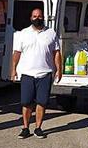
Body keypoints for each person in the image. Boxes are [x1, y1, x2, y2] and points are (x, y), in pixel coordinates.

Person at [11, 8, 62, 139]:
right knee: (26, 102)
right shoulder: (23, 33)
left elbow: (56, 53)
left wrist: (59, 70)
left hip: (45, 74)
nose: (37, 18)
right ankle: (25, 128)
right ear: (31, 18)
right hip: (27, 74)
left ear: (43, 17)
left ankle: (38, 128)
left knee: (42, 102)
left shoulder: (51, 33)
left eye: (39, 16)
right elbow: (16, 53)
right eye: (34, 16)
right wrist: (13, 70)